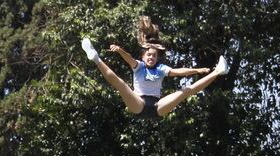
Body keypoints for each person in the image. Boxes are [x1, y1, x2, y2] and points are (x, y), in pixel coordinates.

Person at [81, 16, 226, 119]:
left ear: (157, 58)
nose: (151, 58)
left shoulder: (161, 69)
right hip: (139, 104)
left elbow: (179, 72)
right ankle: (95, 57)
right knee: (121, 85)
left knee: (186, 91)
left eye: (154, 56)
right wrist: (119, 50)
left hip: (158, 106)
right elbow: (129, 59)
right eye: (148, 55)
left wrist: (197, 70)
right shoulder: (139, 66)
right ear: (143, 56)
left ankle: (219, 71)